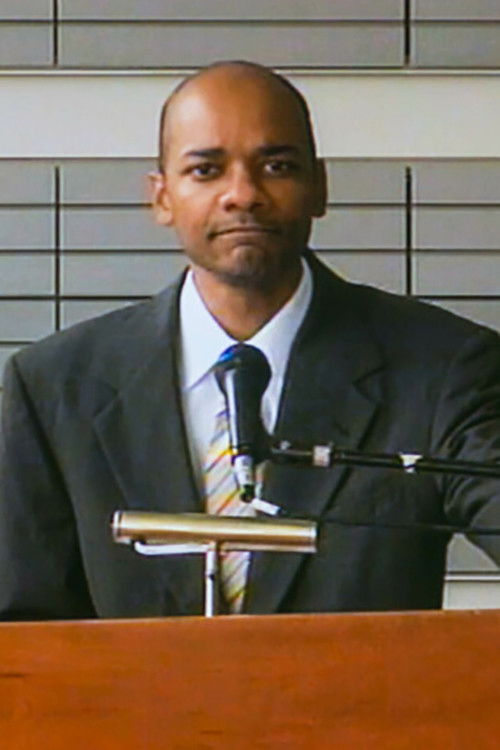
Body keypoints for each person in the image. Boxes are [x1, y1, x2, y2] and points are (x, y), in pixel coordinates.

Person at [1, 61, 499, 620]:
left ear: (319, 187)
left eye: (277, 166)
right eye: (206, 170)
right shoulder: (54, 387)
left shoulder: (442, 368)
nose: (243, 194)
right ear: (161, 197)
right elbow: (23, 633)